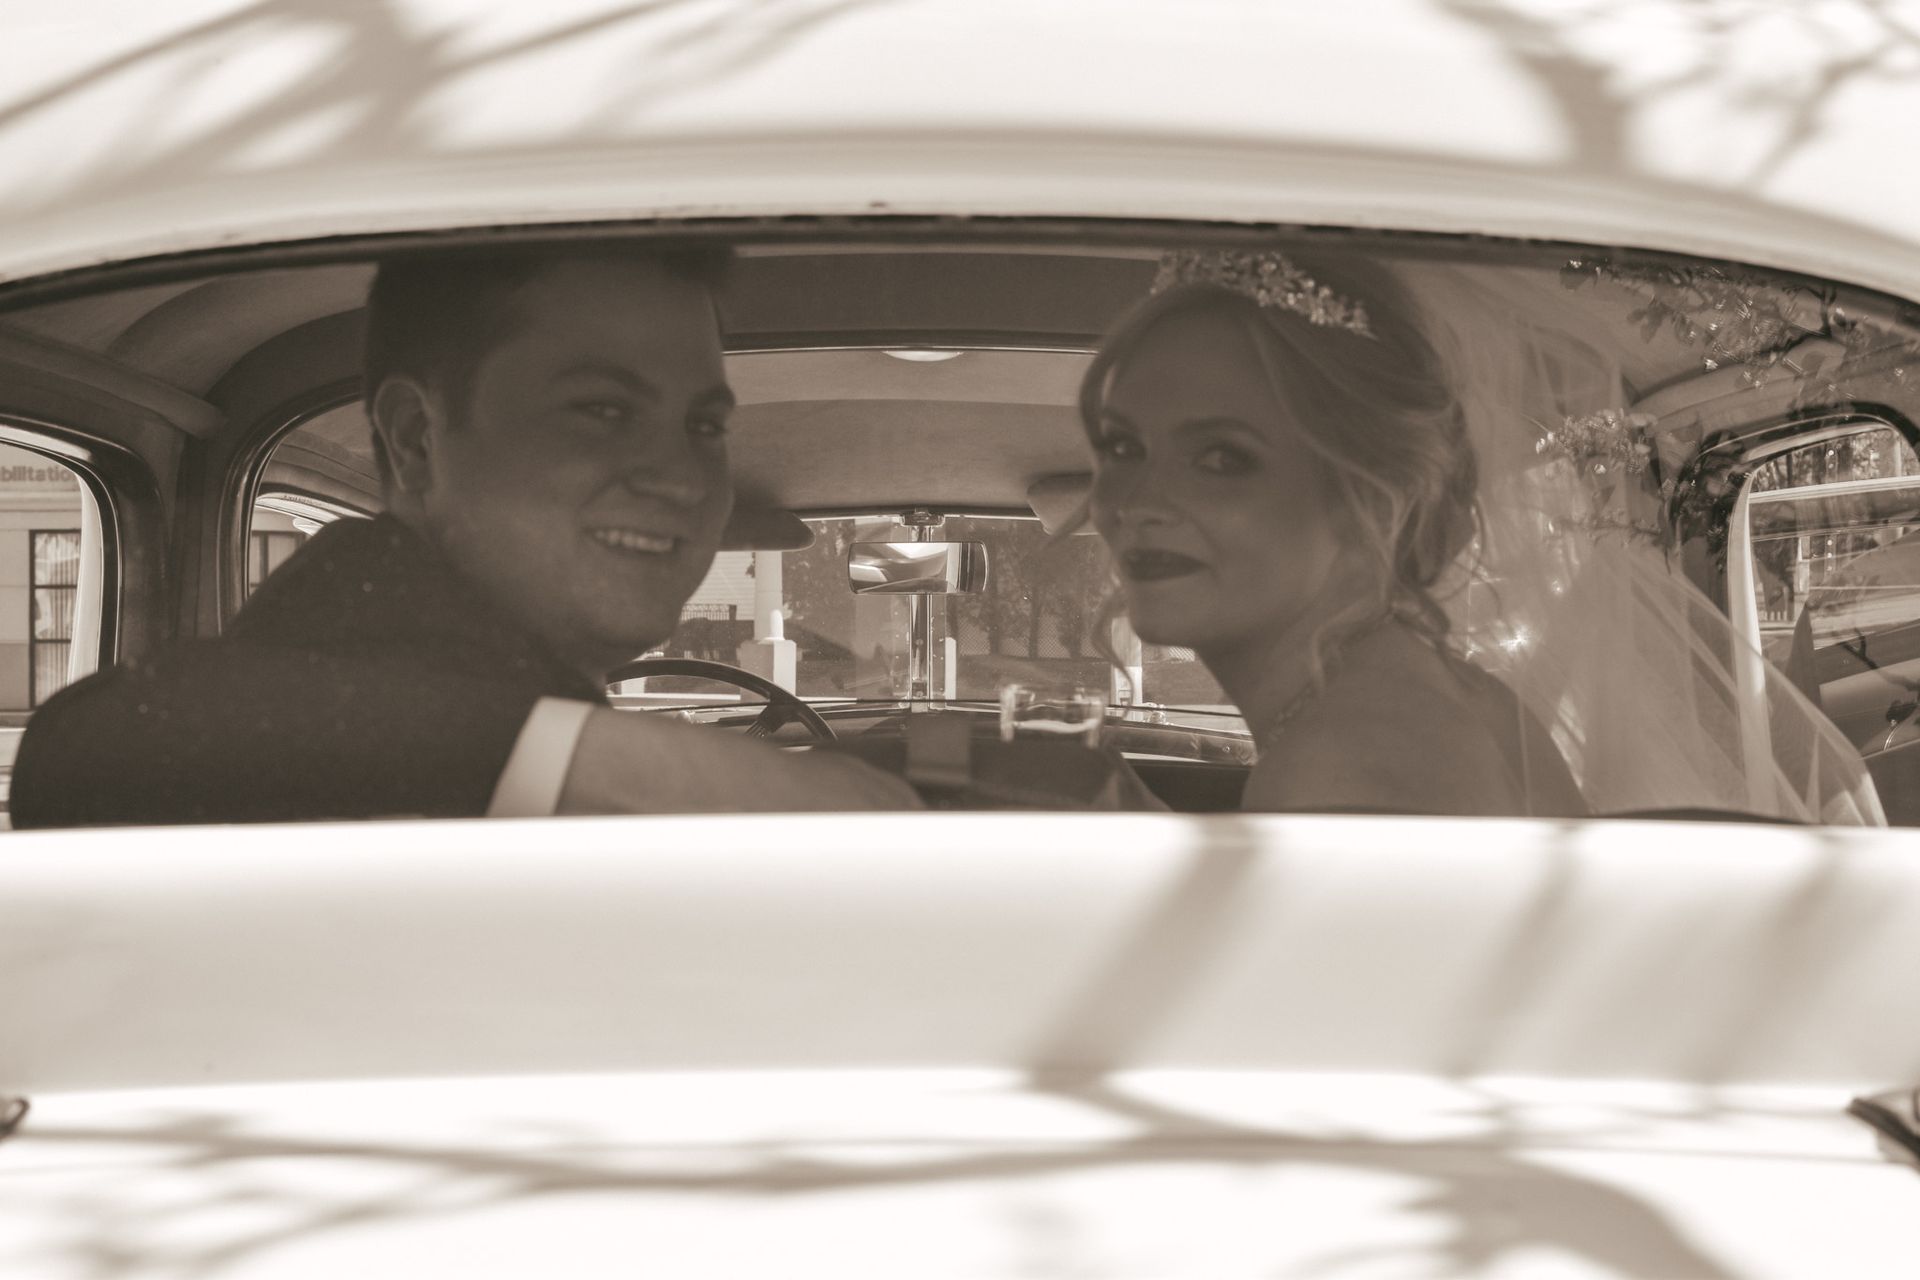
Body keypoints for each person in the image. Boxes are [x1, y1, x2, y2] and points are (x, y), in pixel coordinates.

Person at [11, 244, 917, 826]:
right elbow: (99, 751)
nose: (680, 478)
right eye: (600, 410)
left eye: (704, 427)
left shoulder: (460, 711)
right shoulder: (269, 715)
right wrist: (644, 769)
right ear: (415, 439)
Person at [1080, 250, 1590, 817]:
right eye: (1122, 448)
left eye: (1222, 458)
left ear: (1365, 493)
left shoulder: (1344, 770)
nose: (1137, 503)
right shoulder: (1443, 696)